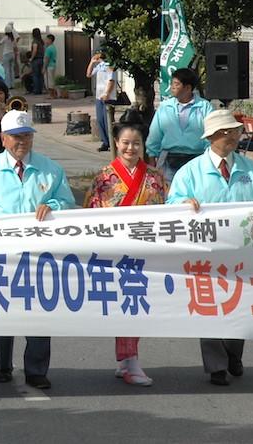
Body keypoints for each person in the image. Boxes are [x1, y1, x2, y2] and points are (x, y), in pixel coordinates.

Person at [166, 109, 253, 387]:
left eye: (235, 131)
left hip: (242, 253)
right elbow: (173, 202)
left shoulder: (249, 169)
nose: (235, 136)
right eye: (229, 132)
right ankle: (216, 366)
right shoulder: (190, 173)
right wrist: (184, 204)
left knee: (239, 307)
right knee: (210, 307)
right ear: (214, 137)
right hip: (205, 253)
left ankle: (234, 353)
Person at [0, 110, 76, 389]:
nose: (21, 141)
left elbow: (68, 203)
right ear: (3, 139)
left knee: (39, 311)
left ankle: (36, 370)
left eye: (26, 135)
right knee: (2, 310)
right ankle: (2, 364)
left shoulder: (50, 169)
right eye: (15, 136)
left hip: (39, 255)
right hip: (1, 253)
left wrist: (55, 207)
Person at [86, 112, 165, 387]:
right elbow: (91, 214)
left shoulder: (155, 177)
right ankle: (129, 361)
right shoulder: (104, 178)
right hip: (115, 251)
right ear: (116, 144)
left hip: (146, 249)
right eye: (125, 143)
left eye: (136, 144)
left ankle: (126, 361)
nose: (131, 148)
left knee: (140, 304)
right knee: (127, 304)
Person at [145, 68, 213, 182]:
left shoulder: (204, 107)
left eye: (176, 84)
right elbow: (154, 135)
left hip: (196, 158)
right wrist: (152, 162)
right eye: (172, 83)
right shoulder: (165, 107)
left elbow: (210, 136)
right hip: (169, 159)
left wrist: (207, 159)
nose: (172, 87)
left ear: (188, 88)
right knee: (169, 195)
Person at [86, 51, 117, 152]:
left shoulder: (110, 65)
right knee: (100, 120)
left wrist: (107, 93)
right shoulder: (100, 66)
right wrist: (91, 62)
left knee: (107, 120)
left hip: (108, 97)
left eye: (97, 53)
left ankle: (112, 142)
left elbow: (111, 80)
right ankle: (105, 142)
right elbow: (89, 74)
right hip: (99, 96)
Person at [28, 28, 44, 96]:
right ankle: (40, 89)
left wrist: (31, 58)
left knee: (35, 75)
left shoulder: (35, 41)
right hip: (41, 59)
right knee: (40, 75)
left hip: (36, 59)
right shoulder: (41, 41)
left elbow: (35, 50)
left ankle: (36, 90)